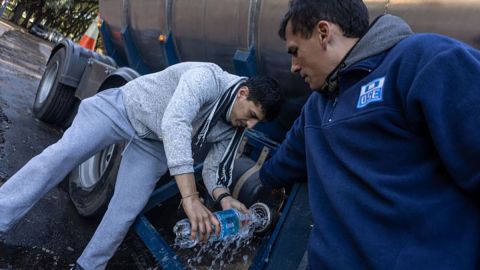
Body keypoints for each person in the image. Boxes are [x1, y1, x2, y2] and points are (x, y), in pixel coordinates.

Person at [260, 0, 480, 268]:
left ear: (323, 33)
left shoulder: (421, 61)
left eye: (295, 51)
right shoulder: (316, 108)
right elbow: (281, 165)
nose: (293, 66)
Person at [0, 61, 284, 270]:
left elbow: (213, 169)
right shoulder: (206, 78)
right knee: (57, 159)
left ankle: (88, 266)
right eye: (251, 115)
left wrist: (224, 199)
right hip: (124, 108)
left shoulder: (233, 126)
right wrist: (190, 197)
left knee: (126, 209)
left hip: (155, 143)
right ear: (242, 92)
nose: (250, 125)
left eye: (257, 122)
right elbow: (176, 123)